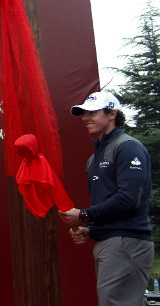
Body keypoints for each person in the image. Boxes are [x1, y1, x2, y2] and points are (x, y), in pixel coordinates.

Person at [59, 91, 154, 306]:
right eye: (84, 113)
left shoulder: (128, 147)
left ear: (112, 113)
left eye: (93, 112)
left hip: (127, 242)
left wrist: (83, 215)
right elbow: (109, 204)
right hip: (109, 242)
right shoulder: (93, 159)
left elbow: (129, 200)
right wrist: (90, 228)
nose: (85, 118)